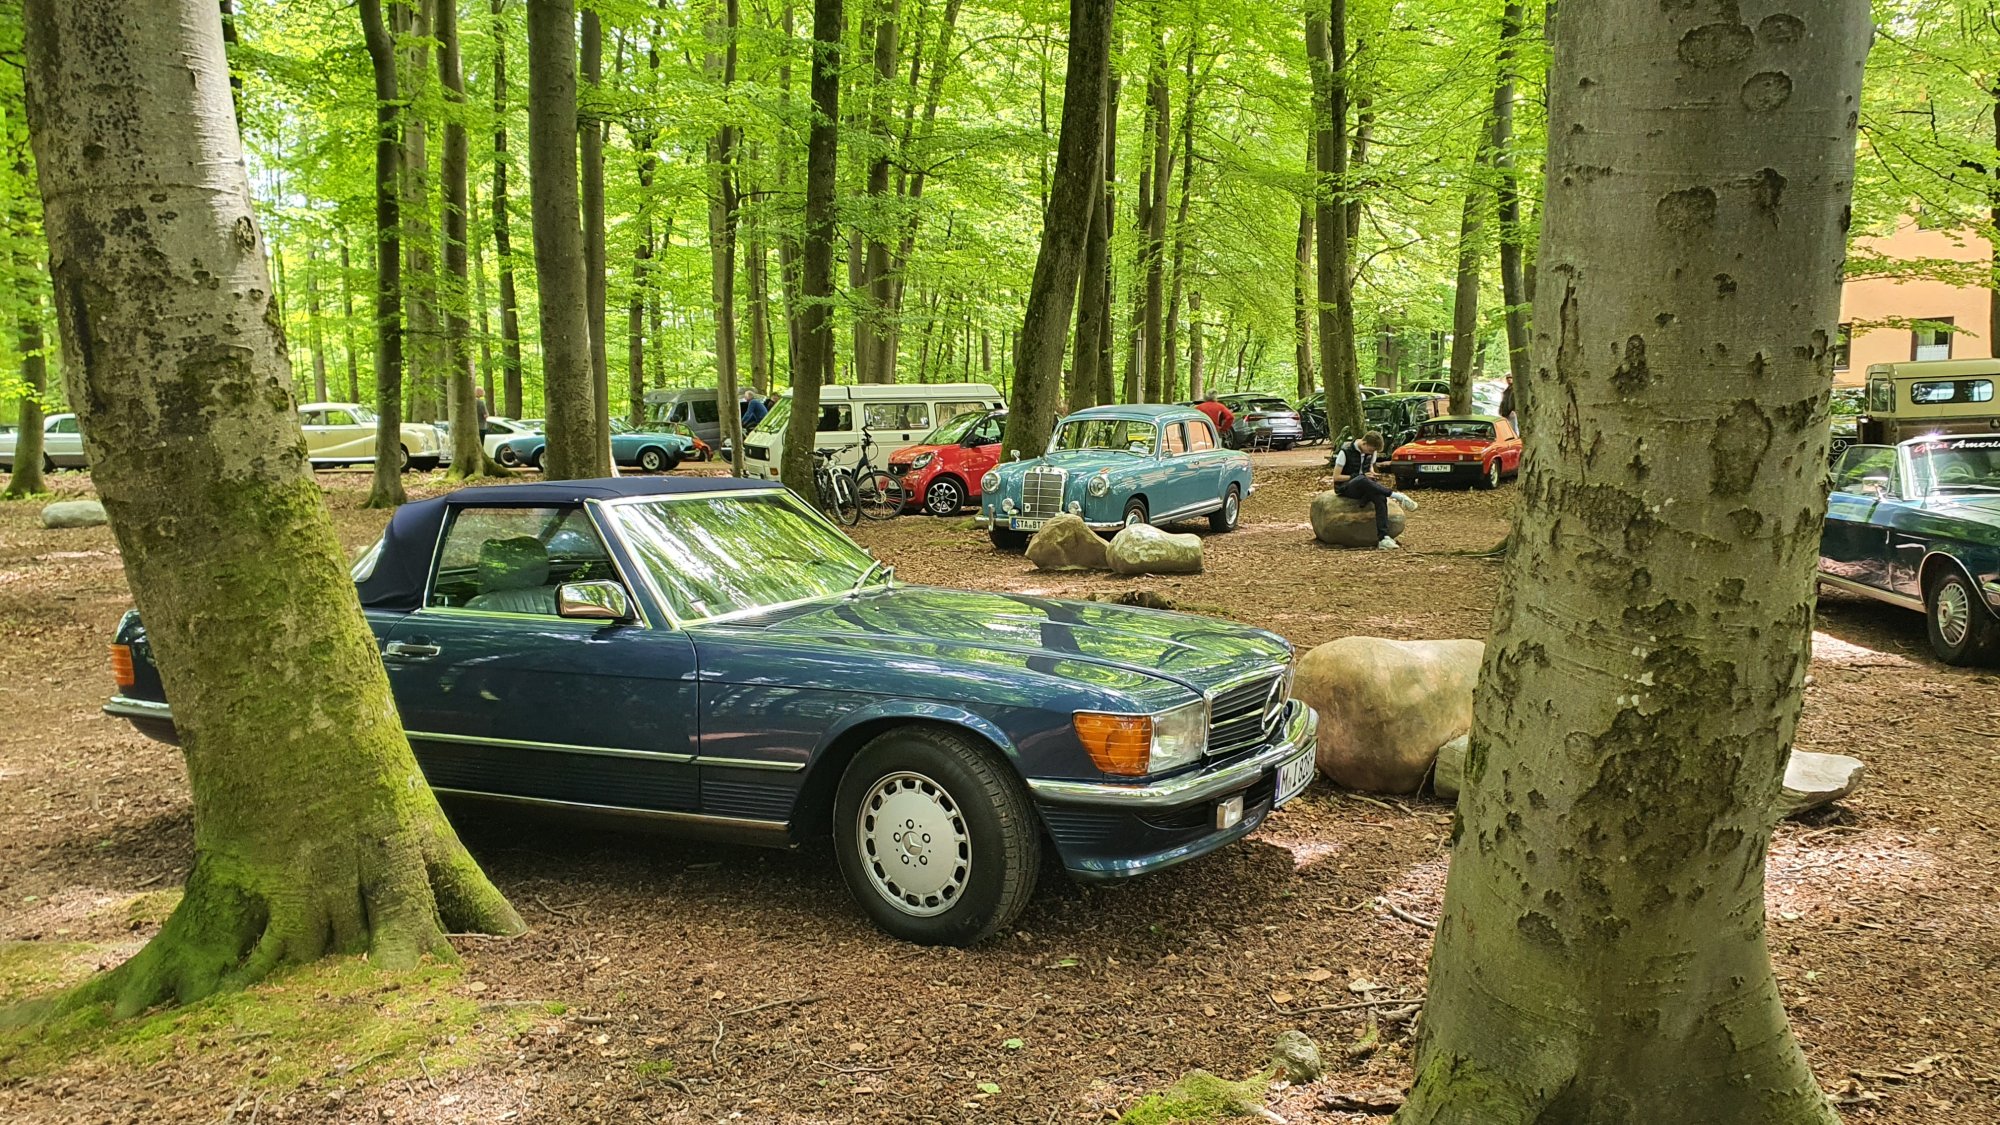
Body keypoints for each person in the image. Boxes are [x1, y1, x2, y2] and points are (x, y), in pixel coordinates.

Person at [1332, 429, 1420, 550]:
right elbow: (1336, 477)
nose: (1372, 453)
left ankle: (1383, 538)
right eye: (1370, 450)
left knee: (1380, 497)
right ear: (1364, 443)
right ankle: (1397, 496)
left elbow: (1370, 469)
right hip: (1347, 487)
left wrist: (1372, 475)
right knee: (1361, 479)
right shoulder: (1345, 452)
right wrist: (1360, 476)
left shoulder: (1371, 453)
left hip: (1365, 485)